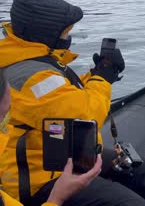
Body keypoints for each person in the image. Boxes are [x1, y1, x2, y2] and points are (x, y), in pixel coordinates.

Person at [0, 0, 145, 206]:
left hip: (59, 155)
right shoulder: (29, 75)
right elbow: (85, 115)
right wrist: (103, 79)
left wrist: (96, 75)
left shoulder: (26, 56)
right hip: (40, 179)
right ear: (46, 33)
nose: (68, 38)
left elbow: (61, 97)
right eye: (65, 33)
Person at [0, 76, 103, 206]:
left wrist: (91, 75)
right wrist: (56, 198)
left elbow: (61, 92)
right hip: (35, 182)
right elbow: (87, 114)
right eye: (5, 116)